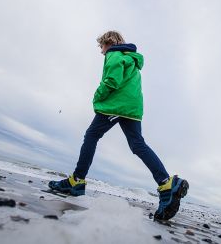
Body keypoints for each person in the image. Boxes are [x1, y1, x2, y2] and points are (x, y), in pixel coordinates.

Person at [48, 30, 189, 220]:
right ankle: (166, 183)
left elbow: (112, 81)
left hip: (117, 106)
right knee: (137, 144)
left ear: (109, 43)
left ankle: (76, 181)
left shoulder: (114, 55)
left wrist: (97, 97)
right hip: (132, 108)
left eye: (101, 47)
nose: (101, 52)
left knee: (91, 136)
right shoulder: (132, 60)